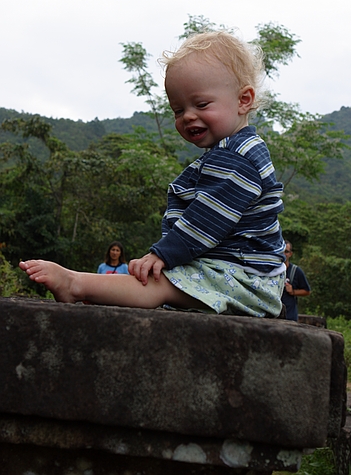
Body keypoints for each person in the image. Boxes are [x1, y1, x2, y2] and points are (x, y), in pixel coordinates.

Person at [19, 31, 286, 317]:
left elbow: (207, 219)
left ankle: (76, 284)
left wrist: (163, 253)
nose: (188, 116)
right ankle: (89, 286)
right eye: (178, 109)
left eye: (202, 104)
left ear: (243, 100)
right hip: (230, 270)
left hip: (247, 277)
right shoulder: (230, 152)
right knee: (162, 282)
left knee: (158, 284)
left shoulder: (238, 157)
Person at [281, 240, 311, 321]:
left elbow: (307, 291)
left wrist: (293, 292)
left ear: (290, 254)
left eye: (286, 252)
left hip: (290, 316)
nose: (283, 254)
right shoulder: (272, 270)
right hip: (273, 315)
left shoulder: (296, 271)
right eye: (281, 251)